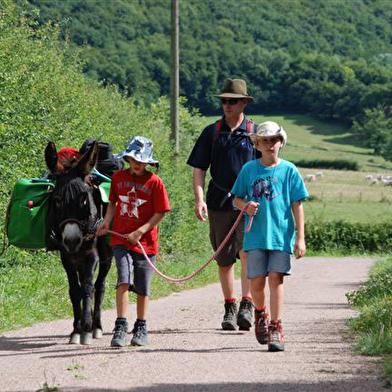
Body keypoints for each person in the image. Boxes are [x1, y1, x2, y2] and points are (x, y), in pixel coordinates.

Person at [187, 78, 258, 331]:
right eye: (224, 101)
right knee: (224, 259)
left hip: (249, 205)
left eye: (233, 101)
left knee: (247, 253)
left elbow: (267, 168)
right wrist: (199, 199)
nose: (227, 105)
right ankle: (230, 307)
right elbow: (199, 168)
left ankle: (247, 305)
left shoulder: (255, 132)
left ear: (243, 103)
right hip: (218, 202)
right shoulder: (212, 132)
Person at [230, 121, 309, 351]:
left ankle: (276, 326)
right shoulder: (249, 169)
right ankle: (260, 313)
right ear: (257, 144)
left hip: (281, 236)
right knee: (256, 283)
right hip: (255, 236)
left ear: (281, 142)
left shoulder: (290, 170)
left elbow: (297, 204)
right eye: (264, 141)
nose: (269, 144)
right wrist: (245, 206)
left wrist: (300, 238)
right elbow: (236, 198)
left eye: (274, 140)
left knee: (276, 278)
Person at [97, 135, 171, 347]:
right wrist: (106, 222)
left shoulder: (155, 183)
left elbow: (160, 212)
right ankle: (120, 326)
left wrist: (140, 231)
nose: (138, 165)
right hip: (120, 239)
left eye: (142, 162)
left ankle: (141, 326)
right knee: (123, 279)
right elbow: (112, 203)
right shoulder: (118, 178)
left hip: (145, 243)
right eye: (134, 160)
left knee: (142, 287)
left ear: (148, 163)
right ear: (128, 159)